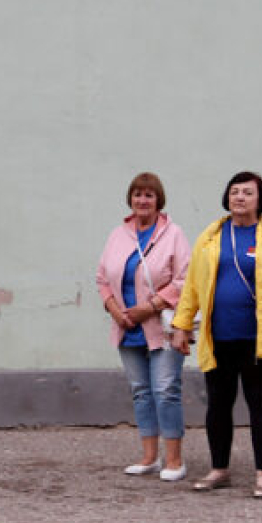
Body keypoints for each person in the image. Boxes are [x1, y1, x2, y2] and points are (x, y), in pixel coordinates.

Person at [171, 171, 262, 498]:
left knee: (259, 403)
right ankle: (219, 468)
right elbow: (192, 286)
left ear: (260, 199)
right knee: (218, 405)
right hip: (218, 335)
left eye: (247, 193)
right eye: (235, 192)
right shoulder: (210, 236)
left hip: (259, 338)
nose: (240, 198)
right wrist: (181, 325)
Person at [96, 172, 191, 481]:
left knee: (165, 390)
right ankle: (149, 456)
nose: (142, 200)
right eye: (137, 194)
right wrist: (115, 311)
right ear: (130, 199)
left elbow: (185, 279)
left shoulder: (173, 234)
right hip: (126, 325)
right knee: (140, 391)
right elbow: (101, 278)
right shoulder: (118, 234)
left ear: (158, 200)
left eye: (149, 195)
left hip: (161, 325)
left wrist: (149, 307)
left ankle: (174, 460)